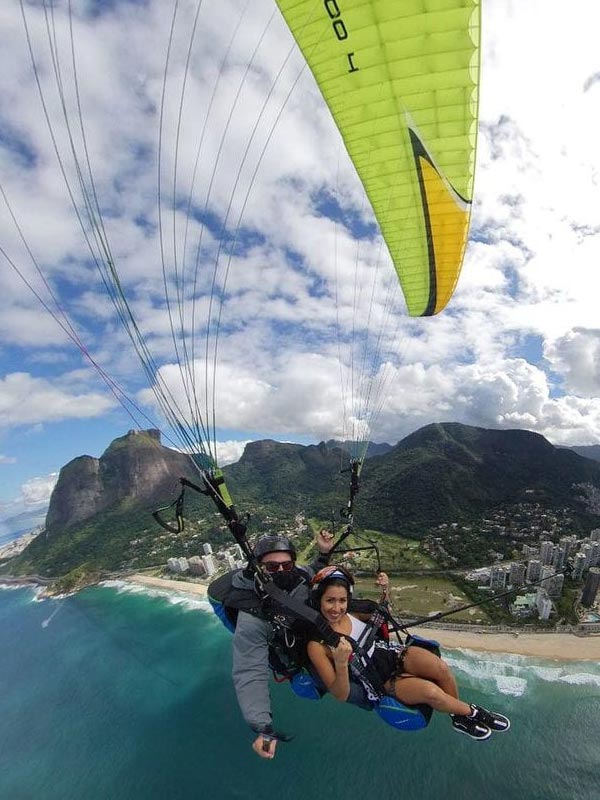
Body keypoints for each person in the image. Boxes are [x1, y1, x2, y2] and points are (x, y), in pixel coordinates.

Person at [307, 566, 511, 741]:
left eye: (342, 600)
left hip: (392, 654)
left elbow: (383, 613)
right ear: (319, 600)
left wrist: (386, 590)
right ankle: (474, 712)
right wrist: (342, 663)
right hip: (380, 680)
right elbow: (340, 694)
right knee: (431, 693)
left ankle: (458, 718)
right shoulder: (318, 645)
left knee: (440, 668)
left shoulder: (354, 612)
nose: (336, 608)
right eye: (330, 601)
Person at [229, 529, 335, 759]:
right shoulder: (252, 615)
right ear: (258, 568)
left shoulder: (298, 576)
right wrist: (262, 727)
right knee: (325, 685)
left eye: (286, 566)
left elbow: (313, 570)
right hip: (293, 654)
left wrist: (324, 553)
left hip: (307, 636)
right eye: (272, 567)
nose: (281, 571)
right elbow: (249, 671)